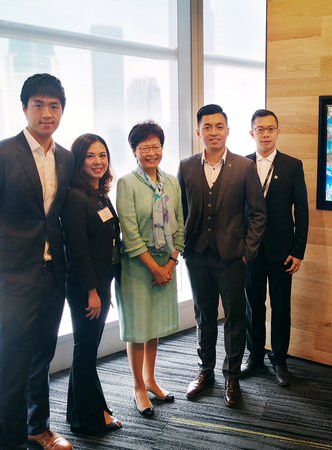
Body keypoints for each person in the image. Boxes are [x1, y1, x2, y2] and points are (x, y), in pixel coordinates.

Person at [0, 73, 74, 450]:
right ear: (24, 108)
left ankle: (37, 427)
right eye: (39, 105)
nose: (47, 113)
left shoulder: (66, 158)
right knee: (11, 363)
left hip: (50, 275)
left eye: (54, 106)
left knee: (41, 356)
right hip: (9, 280)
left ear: (62, 110)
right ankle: (8, 442)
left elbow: (55, 217)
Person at [177, 104, 266, 407]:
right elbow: (182, 212)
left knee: (235, 319)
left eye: (219, 126)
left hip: (232, 258)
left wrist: (247, 253)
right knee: (203, 316)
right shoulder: (186, 166)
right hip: (197, 256)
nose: (213, 132)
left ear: (227, 130)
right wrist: (185, 247)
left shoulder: (244, 166)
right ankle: (205, 372)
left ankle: (232, 376)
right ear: (198, 131)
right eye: (207, 127)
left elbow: (258, 214)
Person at [115, 121, 184, 418]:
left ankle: (151, 379)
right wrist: (155, 268)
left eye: (156, 146)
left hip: (165, 264)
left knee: (153, 327)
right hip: (137, 267)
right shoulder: (127, 183)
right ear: (134, 151)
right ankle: (138, 387)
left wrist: (169, 264)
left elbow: (181, 223)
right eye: (144, 148)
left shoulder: (171, 181)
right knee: (138, 329)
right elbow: (129, 233)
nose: (151, 152)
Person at [241, 109, 309, 387]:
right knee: (252, 306)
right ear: (252, 133)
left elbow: (302, 211)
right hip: (250, 251)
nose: (265, 134)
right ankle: (254, 356)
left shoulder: (292, 165)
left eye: (270, 129)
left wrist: (299, 250)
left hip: (282, 251)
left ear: (278, 131)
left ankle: (279, 360)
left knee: (281, 307)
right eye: (260, 129)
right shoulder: (241, 165)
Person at [62, 134, 122, 434]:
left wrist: (104, 287)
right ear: (79, 160)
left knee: (85, 351)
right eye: (90, 156)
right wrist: (92, 291)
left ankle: (83, 414)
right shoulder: (75, 196)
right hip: (87, 286)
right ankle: (89, 419)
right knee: (85, 351)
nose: (98, 161)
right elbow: (78, 248)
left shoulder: (99, 193)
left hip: (101, 282)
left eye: (102, 155)